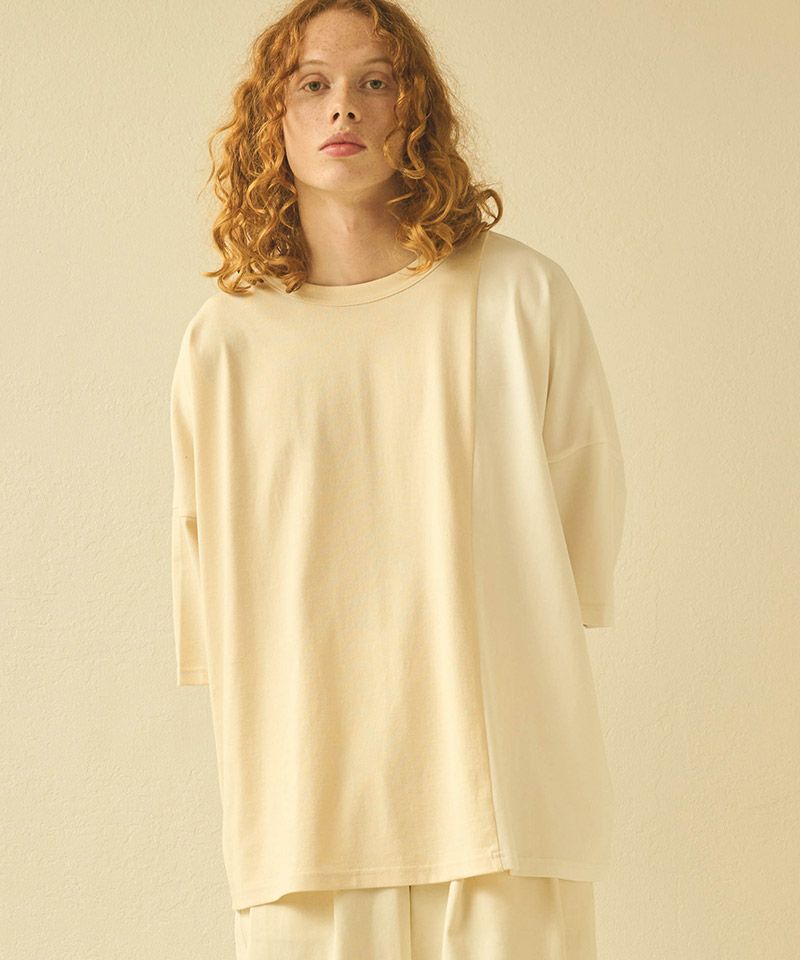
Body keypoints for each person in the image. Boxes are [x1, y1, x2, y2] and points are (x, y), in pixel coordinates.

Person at [169, 1, 627, 957]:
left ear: (415, 108)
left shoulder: (520, 297)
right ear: (273, 116)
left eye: (375, 81)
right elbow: (207, 579)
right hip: (305, 821)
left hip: (507, 813)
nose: (344, 107)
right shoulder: (226, 345)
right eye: (313, 84)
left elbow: (577, 533)